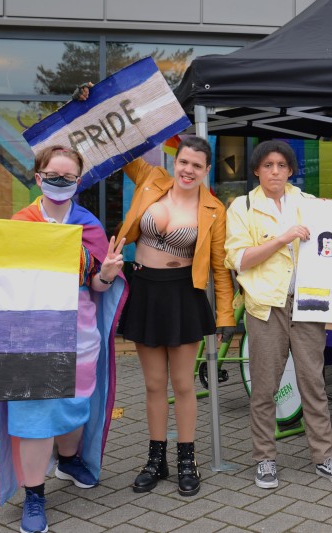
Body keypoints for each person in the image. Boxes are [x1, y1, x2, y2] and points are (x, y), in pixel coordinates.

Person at [0, 145, 127, 533]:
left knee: (75, 406)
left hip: (80, 335)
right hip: (30, 335)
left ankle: (70, 459)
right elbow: (3, 279)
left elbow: (95, 284)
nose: (60, 183)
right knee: (35, 414)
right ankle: (34, 494)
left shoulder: (88, 226)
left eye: (68, 177)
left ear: (78, 181)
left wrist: (106, 273)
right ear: (38, 177)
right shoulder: (20, 224)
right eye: (52, 176)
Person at [225, 140, 332, 489]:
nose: (275, 172)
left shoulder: (308, 204)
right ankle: (265, 459)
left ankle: (324, 457)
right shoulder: (242, 207)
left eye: (282, 165)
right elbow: (239, 260)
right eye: (268, 165)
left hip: (308, 303)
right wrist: (282, 239)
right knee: (265, 386)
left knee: (314, 382)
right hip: (267, 306)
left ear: (291, 170)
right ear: (256, 170)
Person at [116, 136, 235, 497]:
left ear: (206, 170)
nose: (188, 170)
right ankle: (155, 460)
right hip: (146, 290)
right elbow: (122, 147)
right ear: (174, 161)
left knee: (182, 385)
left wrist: (226, 316)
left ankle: (187, 460)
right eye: (184, 162)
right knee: (153, 384)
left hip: (184, 294)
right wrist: (94, 102)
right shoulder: (150, 178)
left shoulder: (214, 209)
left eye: (196, 166)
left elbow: (218, 268)